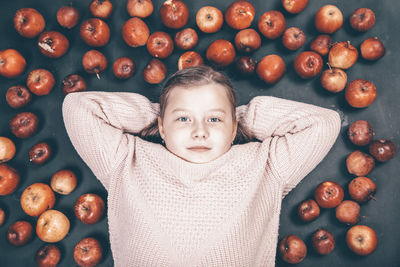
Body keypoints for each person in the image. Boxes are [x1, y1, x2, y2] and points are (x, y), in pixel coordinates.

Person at [62, 65, 341, 266]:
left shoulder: (266, 164)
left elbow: (323, 123)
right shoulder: (126, 159)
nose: (200, 132)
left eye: (214, 120)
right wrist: (158, 115)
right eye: (184, 119)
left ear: (233, 129)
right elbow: (78, 107)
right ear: (162, 126)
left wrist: (238, 118)